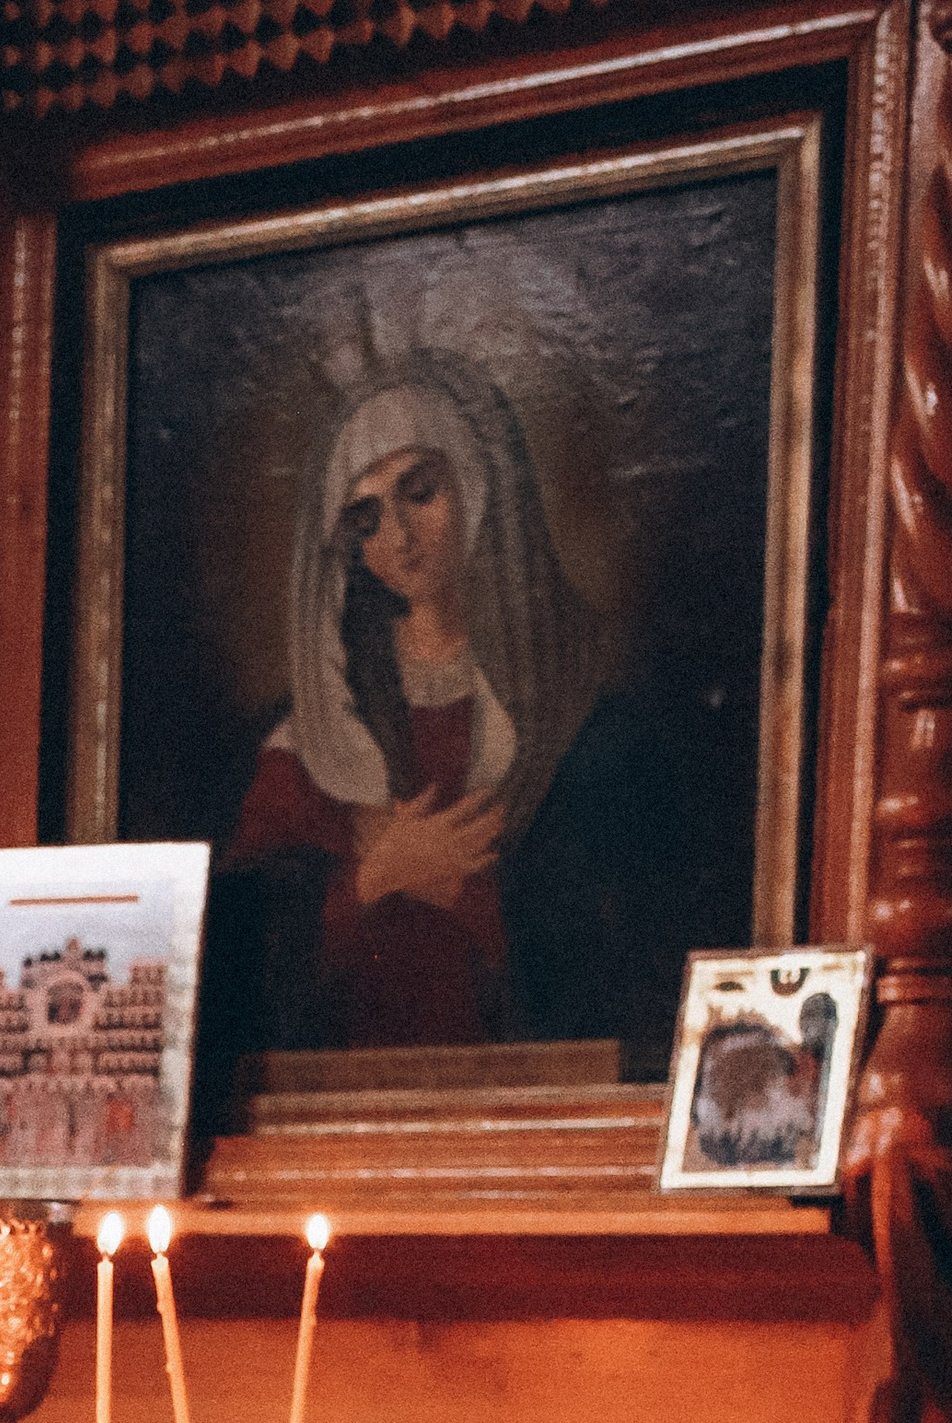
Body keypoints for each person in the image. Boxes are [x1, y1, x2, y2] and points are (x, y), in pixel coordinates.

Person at [219, 352, 700, 1069]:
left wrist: (473, 893)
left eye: (420, 492)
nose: (400, 537)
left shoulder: (590, 719)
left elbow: (646, 958)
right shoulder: (315, 736)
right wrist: (372, 879)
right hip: (345, 1116)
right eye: (367, 516)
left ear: (478, 485)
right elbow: (242, 968)